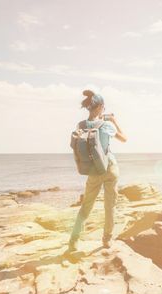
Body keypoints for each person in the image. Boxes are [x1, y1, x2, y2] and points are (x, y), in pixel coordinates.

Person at [67, 90, 127, 252]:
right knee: (110, 206)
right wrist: (113, 120)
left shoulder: (80, 125)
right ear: (100, 107)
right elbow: (124, 138)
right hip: (110, 168)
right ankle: (107, 240)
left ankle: (74, 241)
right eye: (103, 107)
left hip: (93, 171)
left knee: (86, 206)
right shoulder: (106, 125)